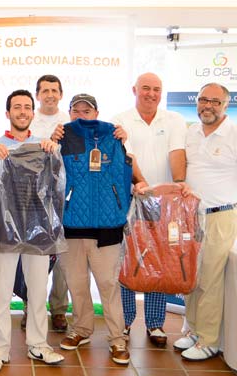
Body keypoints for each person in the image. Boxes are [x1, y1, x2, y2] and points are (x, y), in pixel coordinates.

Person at [52, 94, 148, 365]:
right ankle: (81, 329)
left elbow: (129, 169)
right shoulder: (62, 137)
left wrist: (124, 143)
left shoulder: (115, 135)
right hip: (71, 224)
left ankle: (117, 338)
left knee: (108, 285)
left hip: (108, 224)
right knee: (77, 284)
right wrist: (52, 139)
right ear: (69, 113)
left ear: (96, 112)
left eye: (87, 109)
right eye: (76, 110)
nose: (82, 114)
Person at [0, 89, 64, 373]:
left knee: (38, 292)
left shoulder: (45, 145)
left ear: (32, 112)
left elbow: (61, 186)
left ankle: (38, 345)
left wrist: (55, 158)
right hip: (3, 229)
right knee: (0, 292)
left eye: (27, 107)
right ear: (8, 113)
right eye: (17, 107)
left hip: (38, 228)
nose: (22, 111)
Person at [111, 72, 187, 347]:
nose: (151, 94)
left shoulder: (175, 120)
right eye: (145, 88)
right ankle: (127, 320)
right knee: (127, 260)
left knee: (159, 261)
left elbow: (177, 154)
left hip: (166, 204)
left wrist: (177, 186)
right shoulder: (120, 120)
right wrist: (142, 185)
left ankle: (155, 323)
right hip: (132, 199)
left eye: (156, 89)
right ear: (135, 90)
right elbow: (127, 157)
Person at [174, 83, 237, 361]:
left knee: (210, 279)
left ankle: (209, 340)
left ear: (225, 104)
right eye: (203, 100)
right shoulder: (190, 132)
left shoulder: (234, 133)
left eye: (214, 101)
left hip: (220, 215)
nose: (207, 105)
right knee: (191, 275)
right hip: (190, 216)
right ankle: (195, 330)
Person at [15, 74, 71, 332]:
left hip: (66, 199)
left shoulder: (70, 121)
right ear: (37, 95)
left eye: (54, 90)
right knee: (33, 256)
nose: (50, 94)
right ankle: (30, 306)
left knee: (61, 257)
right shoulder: (27, 122)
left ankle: (59, 309)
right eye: (45, 90)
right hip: (34, 201)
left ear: (61, 94)